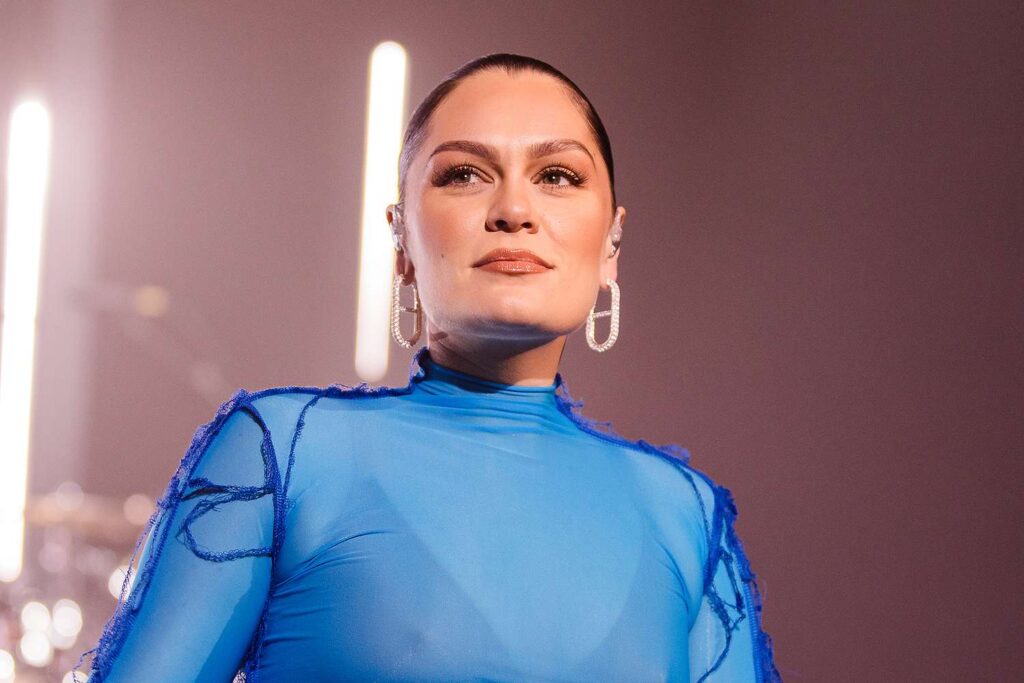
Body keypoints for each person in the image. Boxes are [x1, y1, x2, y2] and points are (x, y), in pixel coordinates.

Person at [76, 53, 781, 682]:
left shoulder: (684, 516)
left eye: (557, 176)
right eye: (465, 174)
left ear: (611, 245)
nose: (514, 209)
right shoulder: (284, 455)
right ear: (401, 241)